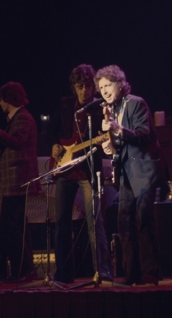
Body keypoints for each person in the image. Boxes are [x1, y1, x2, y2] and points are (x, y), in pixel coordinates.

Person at [96, 64, 166, 286]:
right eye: (101, 88)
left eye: (108, 85)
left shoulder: (136, 103)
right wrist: (110, 146)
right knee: (124, 221)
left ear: (119, 84)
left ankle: (150, 272)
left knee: (143, 219)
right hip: (126, 172)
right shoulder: (113, 109)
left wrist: (117, 129)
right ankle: (131, 273)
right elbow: (121, 142)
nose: (104, 91)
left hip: (144, 170)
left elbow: (145, 135)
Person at [48, 64, 113, 284]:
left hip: (87, 171)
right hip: (65, 170)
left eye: (87, 86)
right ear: (74, 87)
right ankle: (63, 274)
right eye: (80, 86)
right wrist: (55, 145)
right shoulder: (66, 106)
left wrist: (104, 137)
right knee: (61, 223)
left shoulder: (100, 108)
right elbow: (51, 131)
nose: (84, 91)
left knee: (95, 222)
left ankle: (102, 272)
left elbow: (106, 136)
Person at [0, 81, 40, 282]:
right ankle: (25, 270)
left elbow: (18, 142)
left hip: (18, 179)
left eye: (1, 100)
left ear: (8, 99)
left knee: (8, 226)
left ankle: (24, 269)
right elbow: (11, 144)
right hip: (14, 178)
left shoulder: (22, 117)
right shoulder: (16, 118)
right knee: (18, 225)